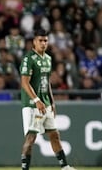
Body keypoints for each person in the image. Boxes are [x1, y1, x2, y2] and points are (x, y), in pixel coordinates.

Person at [19, 28, 76, 170]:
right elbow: (25, 83)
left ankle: (65, 166)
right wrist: (37, 100)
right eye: (40, 40)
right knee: (31, 138)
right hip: (32, 105)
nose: (43, 43)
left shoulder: (48, 59)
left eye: (45, 40)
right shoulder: (28, 59)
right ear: (34, 42)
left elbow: (47, 82)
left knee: (54, 134)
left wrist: (52, 102)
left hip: (46, 104)